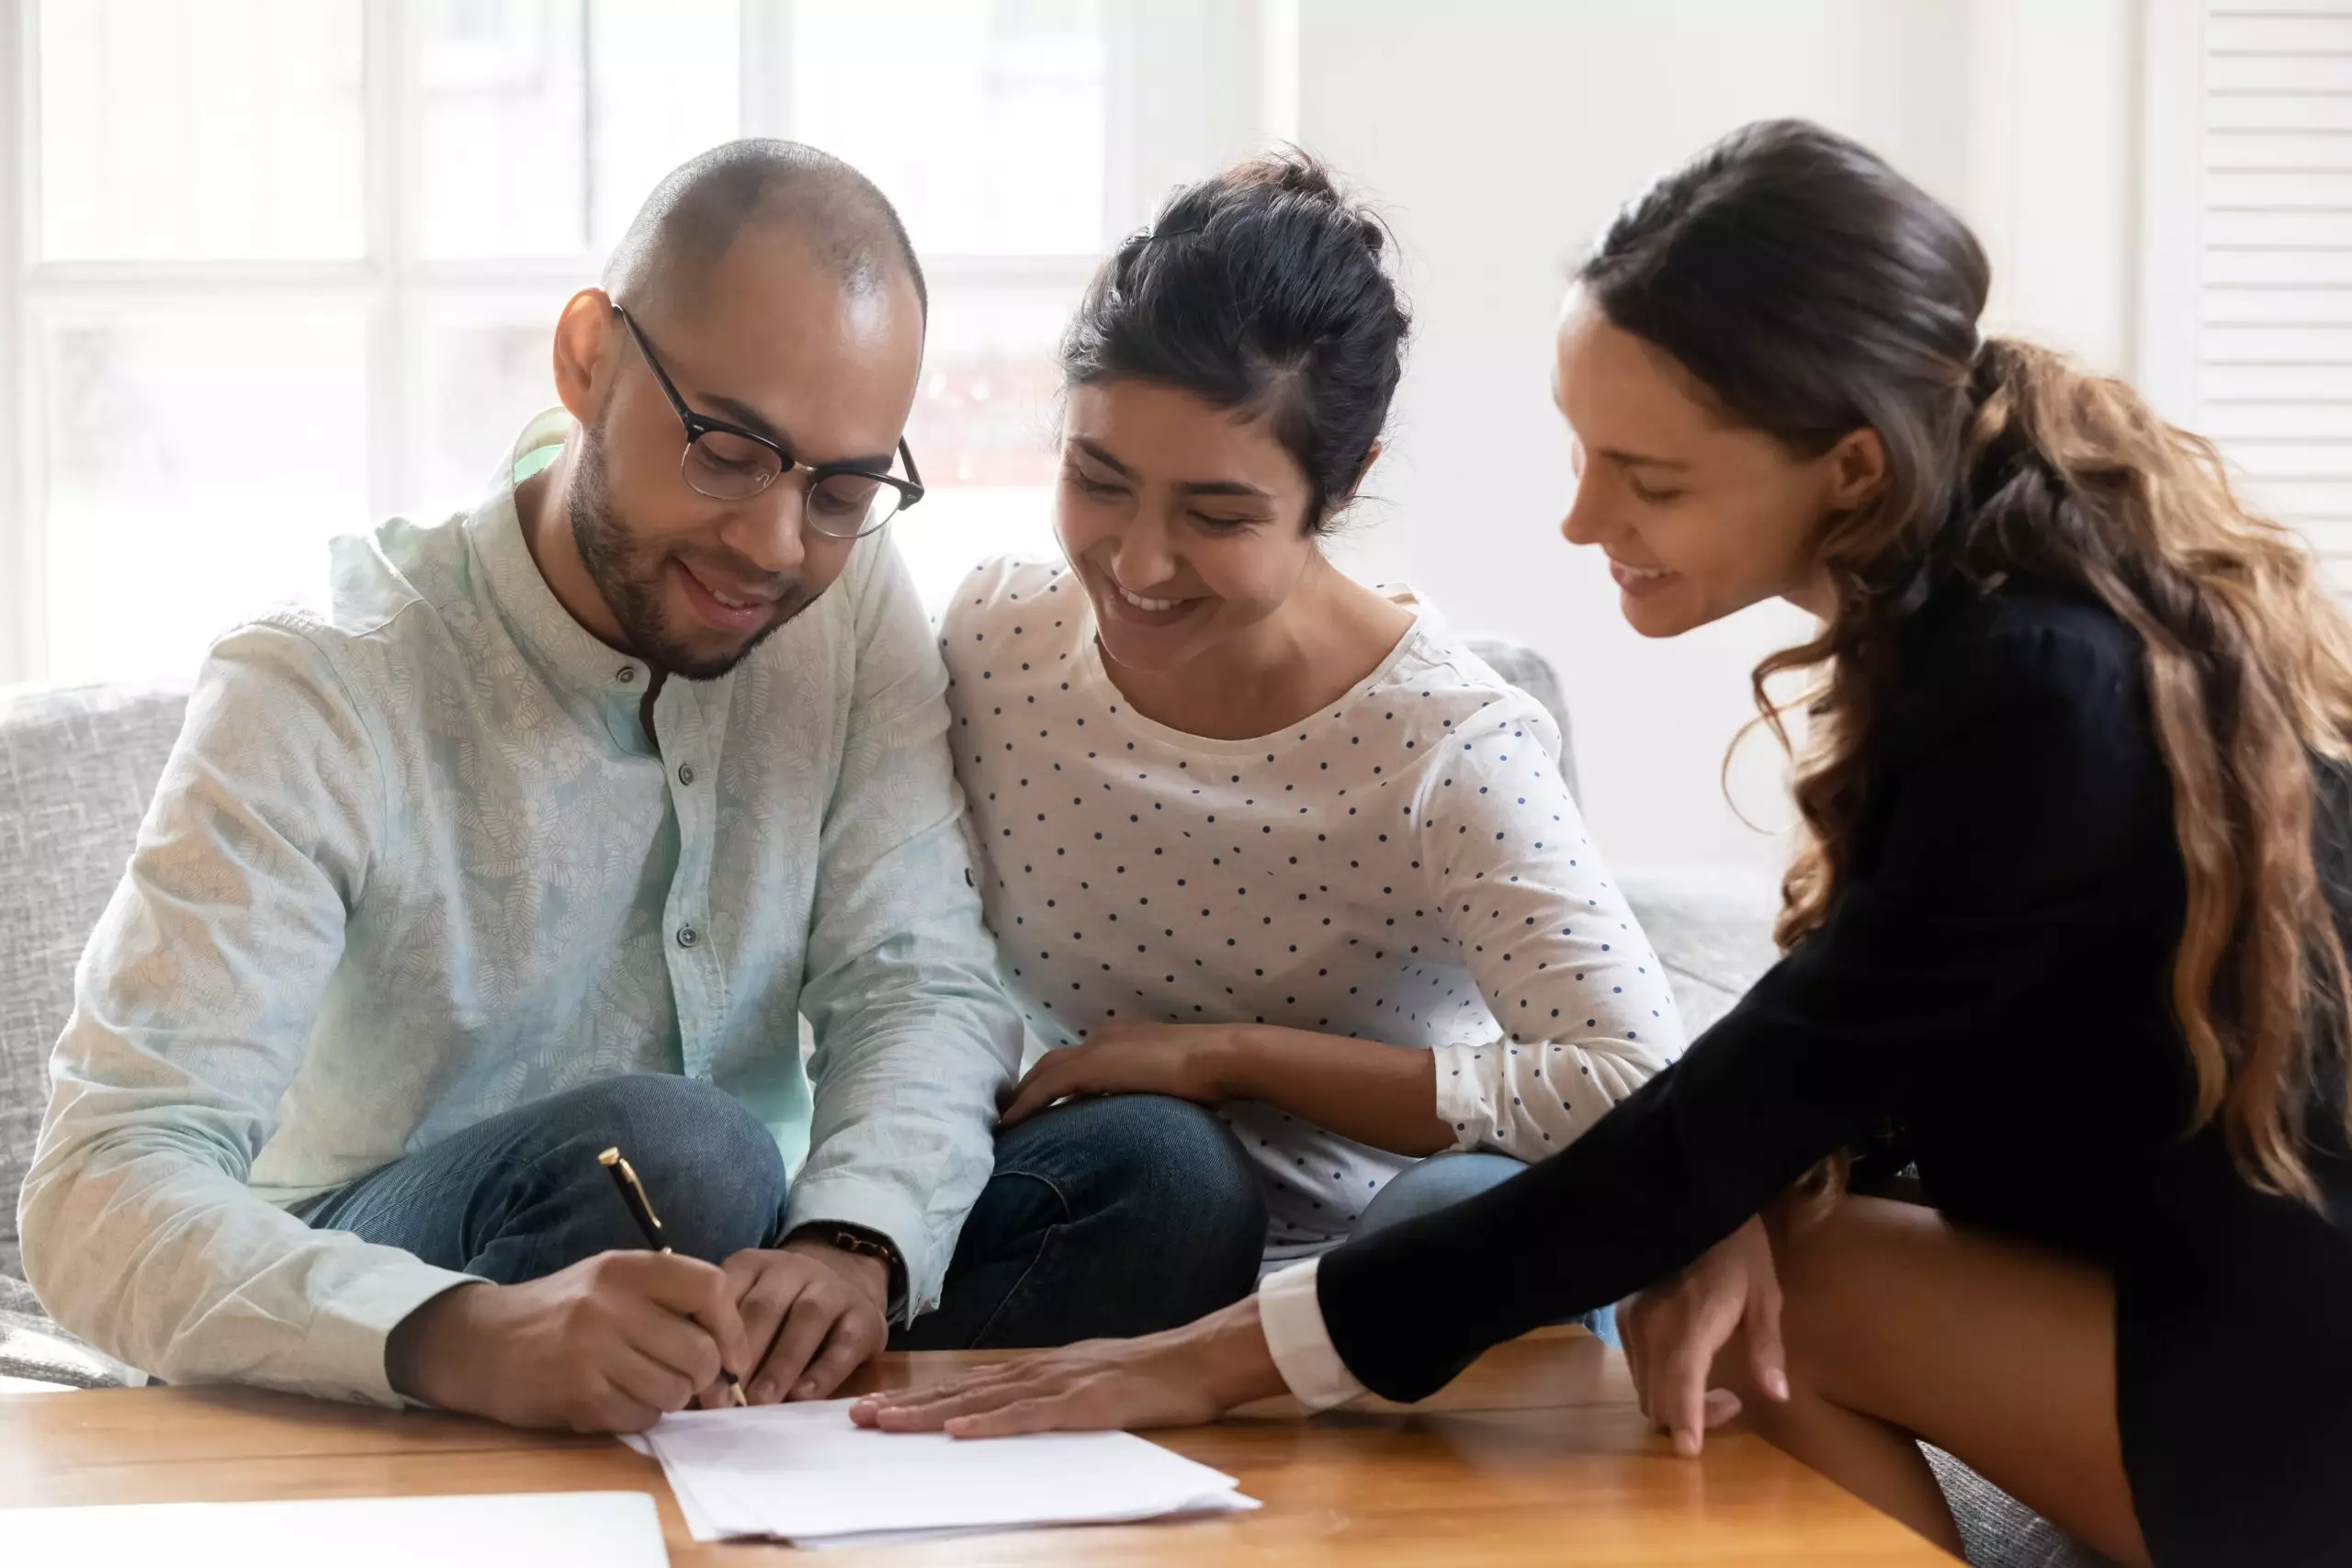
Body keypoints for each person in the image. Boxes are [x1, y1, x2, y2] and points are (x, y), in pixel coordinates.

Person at [853, 120, 2352, 1568]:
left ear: (1848, 466)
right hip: (2209, 1318)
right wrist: (1736, 1186)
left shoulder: (2034, 689)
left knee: (1775, 1280)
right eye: (1584, 449)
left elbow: (1715, 1108)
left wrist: (1220, 1357)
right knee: (1739, 1239)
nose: (1580, 517)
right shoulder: (1994, 635)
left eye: (1650, 476)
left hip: (2295, 1395)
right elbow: (1804, 1093)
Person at [21, 141, 1223, 1434]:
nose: (773, 542)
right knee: (681, 1158)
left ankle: (802, 1438)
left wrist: (854, 1240)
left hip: (742, 1257)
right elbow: (98, 1186)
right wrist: (465, 1333)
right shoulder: (321, 685)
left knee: (1165, 1176)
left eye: (838, 487)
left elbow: (915, 975)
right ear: (587, 359)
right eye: (725, 446)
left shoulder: (846, 594)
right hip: (419, 1276)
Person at [898, 155, 1683, 1349]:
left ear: (1341, 486)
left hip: (1363, 1288)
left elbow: (1634, 1079)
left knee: (1462, 1214)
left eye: (1217, 516)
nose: (1140, 563)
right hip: (1096, 1224)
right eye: (1096, 480)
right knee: (1168, 1171)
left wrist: (1222, 1057)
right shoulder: (994, 640)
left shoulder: (1448, 746)